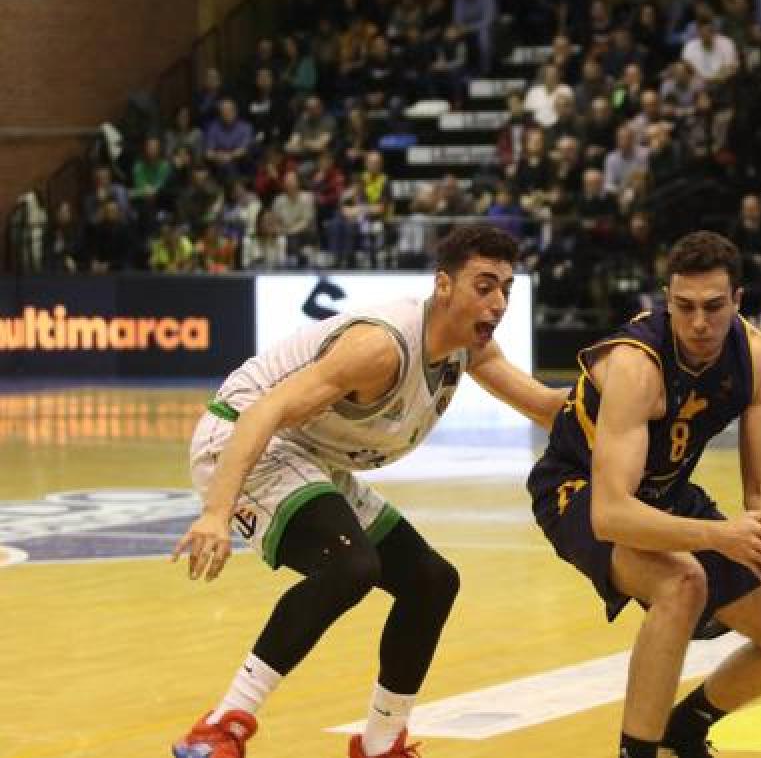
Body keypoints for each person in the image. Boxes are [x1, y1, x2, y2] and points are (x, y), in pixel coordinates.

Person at [171, 225, 566, 758]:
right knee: (350, 566)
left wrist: (631, 390)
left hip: (309, 456)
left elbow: (548, 408)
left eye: (506, 289)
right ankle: (220, 727)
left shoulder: (471, 349)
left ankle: (381, 743)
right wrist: (217, 512)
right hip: (242, 439)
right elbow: (265, 412)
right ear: (444, 286)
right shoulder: (379, 347)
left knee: (432, 581)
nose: (498, 303)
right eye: (485, 285)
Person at [527, 231, 761, 758]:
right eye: (683, 306)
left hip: (667, 494)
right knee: (681, 582)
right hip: (580, 491)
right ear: (666, 299)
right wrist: (721, 535)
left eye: (714, 307)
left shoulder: (754, 353)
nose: (698, 323)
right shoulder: (636, 365)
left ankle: (683, 733)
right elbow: (612, 515)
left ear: (738, 300)